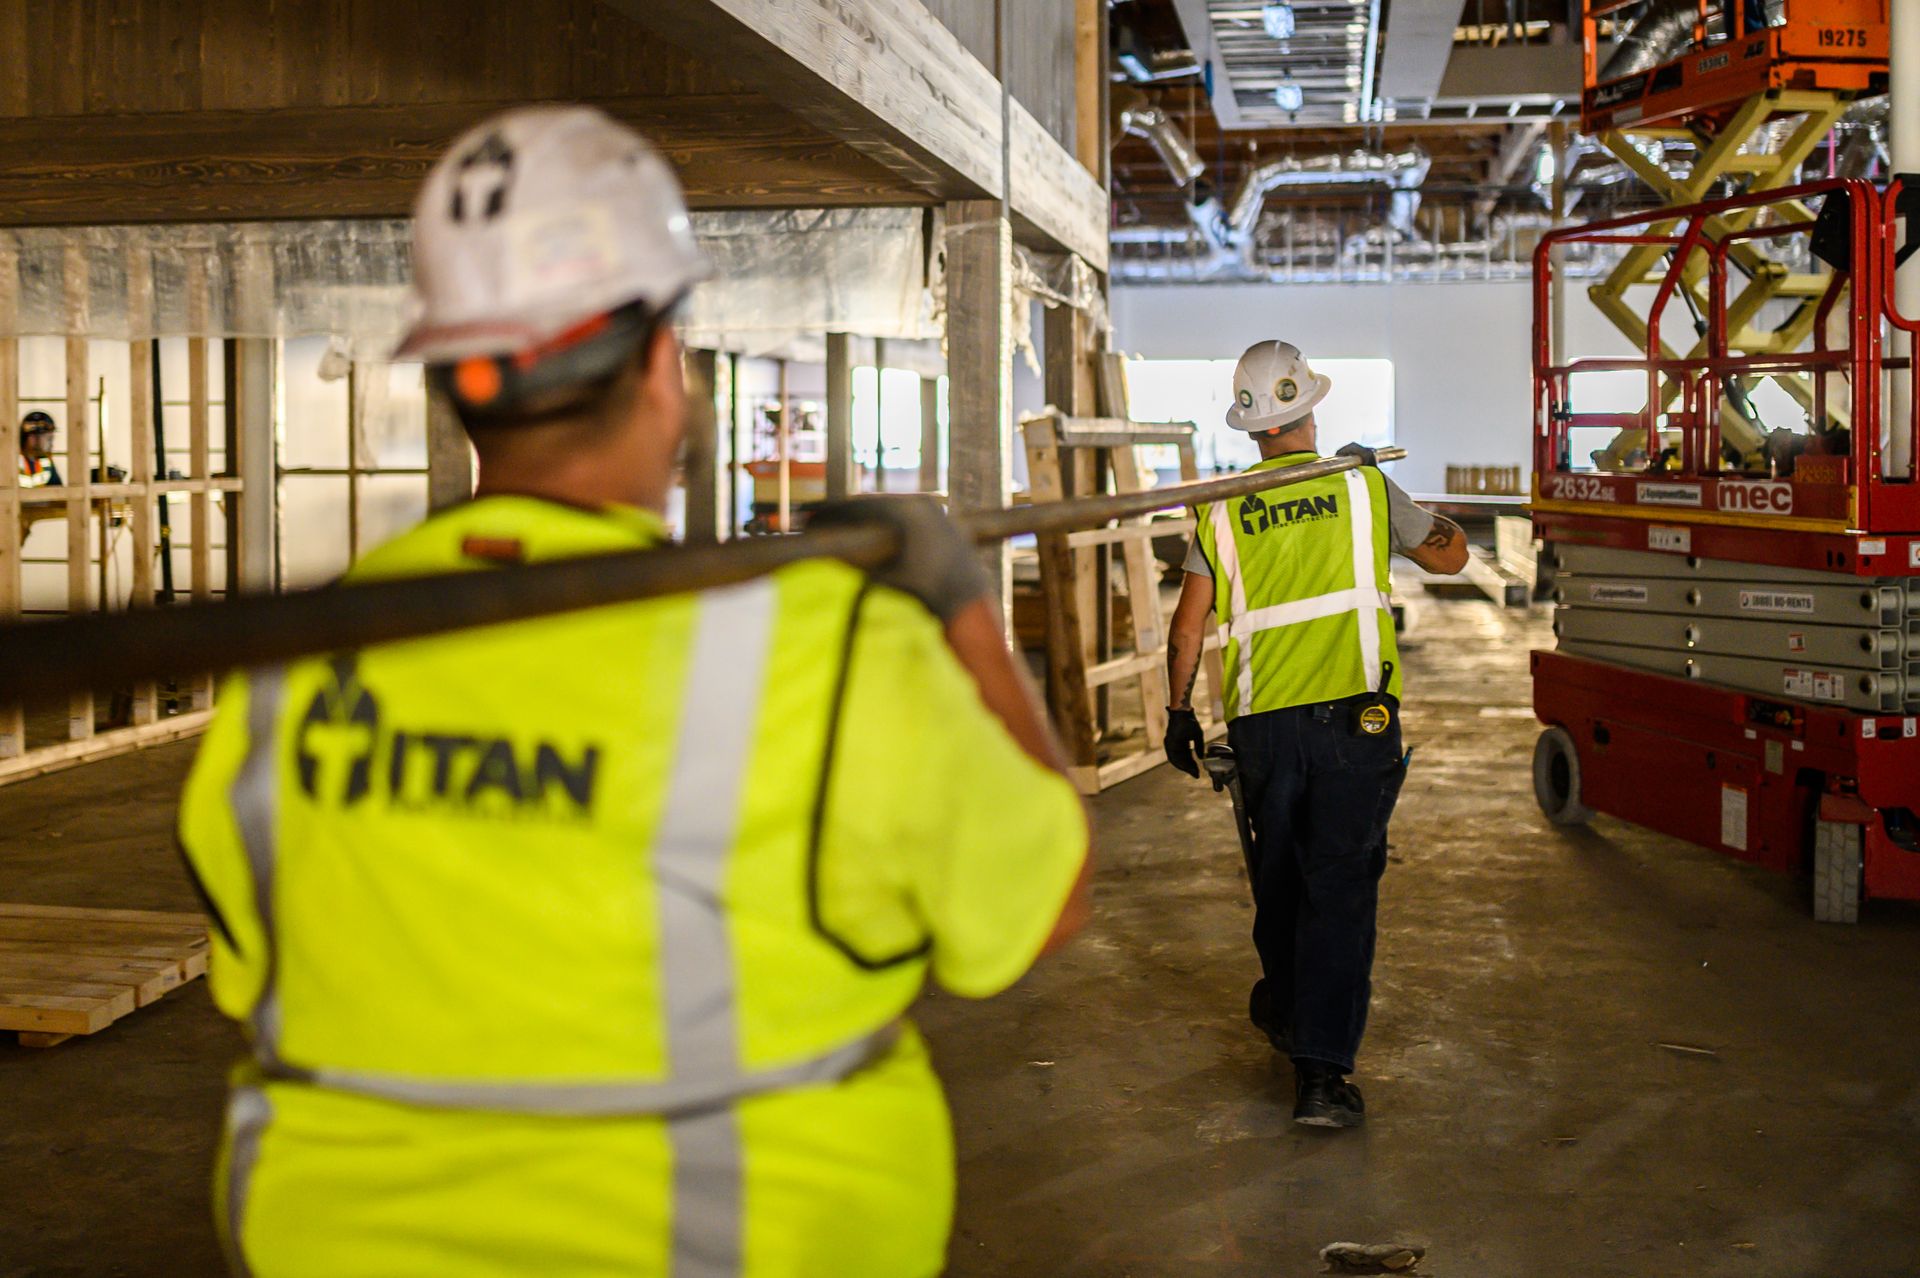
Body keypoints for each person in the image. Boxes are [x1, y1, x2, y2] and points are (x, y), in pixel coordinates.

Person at [177, 105, 1091, 1277]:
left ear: (460, 380)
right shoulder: (820, 650)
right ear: (666, 362)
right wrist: (960, 604)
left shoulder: (300, 657)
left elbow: (254, 964)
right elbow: (1045, 899)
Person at [1160, 340, 1466, 1129]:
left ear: (1250, 424)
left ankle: (1290, 1012)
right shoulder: (1362, 484)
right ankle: (1321, 1077)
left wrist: (1177, 710)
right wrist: (1405, 502)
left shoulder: (1221, 505)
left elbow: (1187, 625)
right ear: (1311, 408)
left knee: (1283, 878)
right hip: (1353, 722)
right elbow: (1454, 558)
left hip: (1264, 726)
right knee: (1338, 892)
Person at [19, 411, 60, 487]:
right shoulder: (11, 463)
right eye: (49, 439)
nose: (51, 445)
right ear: (32, 438)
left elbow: (58, 491)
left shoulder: (45, 462)